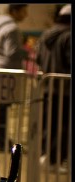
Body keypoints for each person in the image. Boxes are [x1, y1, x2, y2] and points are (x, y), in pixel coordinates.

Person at [0, 4, 29, 151]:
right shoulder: (12, 28)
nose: (26, 14)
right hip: (7, 71)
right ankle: (2, 140)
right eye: (24, 10)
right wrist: (27, 52)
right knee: (2, 108)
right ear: (15, 11)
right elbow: (13, 52)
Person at [35, 4, 71, 169]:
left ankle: (45, 154)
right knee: (62, 124)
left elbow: (38, 59)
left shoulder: (45, 35)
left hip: (47, 86)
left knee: (48, 122)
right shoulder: (68, 36)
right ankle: (56, 160)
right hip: (65, 88)